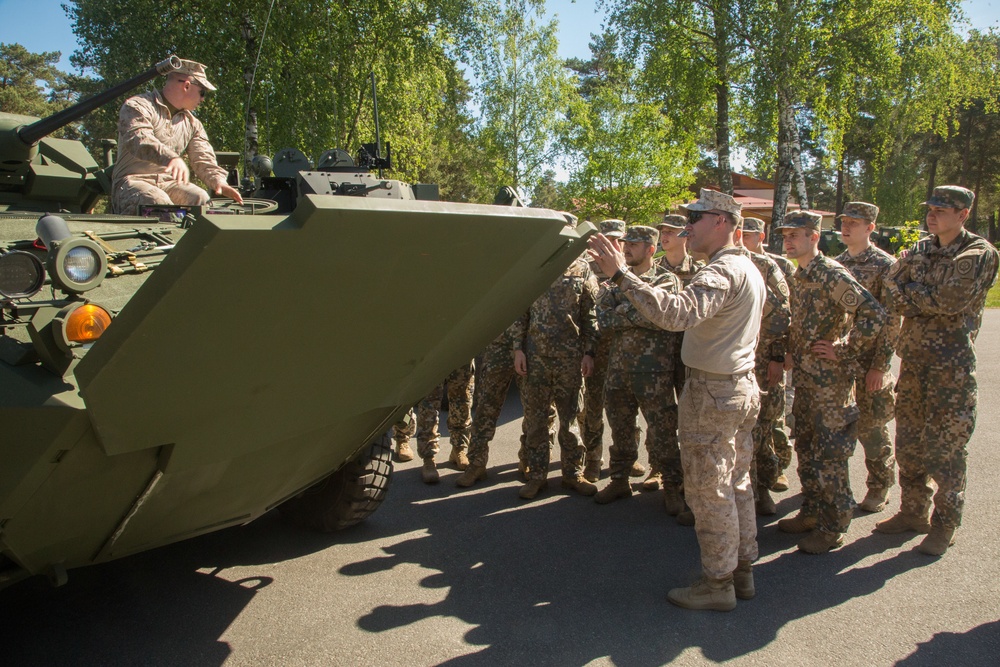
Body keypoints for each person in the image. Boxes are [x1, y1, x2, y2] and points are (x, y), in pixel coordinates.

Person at [589, 188, 764, 612]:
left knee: (709, 492)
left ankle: (717, 584)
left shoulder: (721, 271)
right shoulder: (746, 267)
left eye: (697, 218)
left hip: (714, 392)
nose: (687, 227)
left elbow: (675, 315)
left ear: (721, 222)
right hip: (736, 387)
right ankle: (741, 571)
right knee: (735, 483)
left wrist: (620, 275)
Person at [876, 185, 999, 555]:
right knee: (909, 445)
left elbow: (951, 300)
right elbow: (889, 284)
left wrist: (912, 291)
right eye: (930, 208)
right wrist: (920, 291)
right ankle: (913, 511)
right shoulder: (921, 247)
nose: (933, 215)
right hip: (914, 363)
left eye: (942, 210)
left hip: (952, 368)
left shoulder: (978, 252)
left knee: (945, 450)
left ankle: (945, 525)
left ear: (963, 215)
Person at [776, 210, 886, 554]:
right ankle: (811, 511)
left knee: (830, 453)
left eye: (796, 235)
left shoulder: (829, 274)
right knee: (806, 446)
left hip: (830, 383)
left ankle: (834, 524)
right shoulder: (800, 274)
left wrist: (844, 348)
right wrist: (791, 353)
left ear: (814, 237)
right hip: (806, 378)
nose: (789, 241)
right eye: (786, 236)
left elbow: (873, 314)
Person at [593, 226, 685, 513]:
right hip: (619, 369)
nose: (627, 248)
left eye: (634, 244)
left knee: (663, 432)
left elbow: (658, 316)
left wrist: (630, 311)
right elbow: (603, 320)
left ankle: (673, 486)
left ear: (650, 249)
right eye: (626, 243)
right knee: (620, 428)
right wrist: (637, 312)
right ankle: (619, 480)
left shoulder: (665, 280)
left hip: (654, 372)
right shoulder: (612, 282)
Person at [513, 252, 600, 500]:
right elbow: (521, 311)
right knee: (536, 421)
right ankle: (537, 476)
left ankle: (573, 474)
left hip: (570, 359)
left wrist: (589, 352)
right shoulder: (535, 266)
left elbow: (590, 315)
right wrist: (518, 348)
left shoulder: (583, 270)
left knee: (570, 421)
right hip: (536, 358)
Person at [112, 59, 244, 215]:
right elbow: (139, 139)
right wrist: (171, 158)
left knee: (201, 200)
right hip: (132, 182)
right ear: (187, 85)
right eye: (202, 92)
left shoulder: (192, 124)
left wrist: (218, 181)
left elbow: (203, 158)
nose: (202, 99)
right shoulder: (138, 106)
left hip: (169, 184)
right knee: (157, 202)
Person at [834, 202, 899, 512]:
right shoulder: (837, 263)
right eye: (844, 221)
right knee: (838, 427)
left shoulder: (886, 265)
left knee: (872, 428)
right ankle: (834, 488)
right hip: (841, 361)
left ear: (870, 228)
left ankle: (879, 485)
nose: (846, 227)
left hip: (870, 362)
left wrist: (880, 366)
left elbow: (890, 319)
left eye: (854, 223)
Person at [581, 219, 644, 481]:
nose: (613, 244)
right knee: (592, 409)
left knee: (627, 410)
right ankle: (593, 459)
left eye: (618, 239)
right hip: (597, 349)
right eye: (607, 238)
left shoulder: (631, 269)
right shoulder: (588, 268)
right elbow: (587, 314)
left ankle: (630, 458)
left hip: (627, 352)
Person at [737, 218, 791, 516]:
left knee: (761, 429)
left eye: (747, 234)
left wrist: (777, 357)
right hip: (732, 359)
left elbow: (783, 313)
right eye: (740, 234)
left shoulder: (766, 266)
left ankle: (761, 489)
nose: (742, 239)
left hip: (761, 358)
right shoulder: (716, 263)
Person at [415, 361, 475, 484]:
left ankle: (459, 448)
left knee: (462, 401)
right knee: (429, 405)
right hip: (433, 352)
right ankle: (428, 458)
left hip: (461, 352)